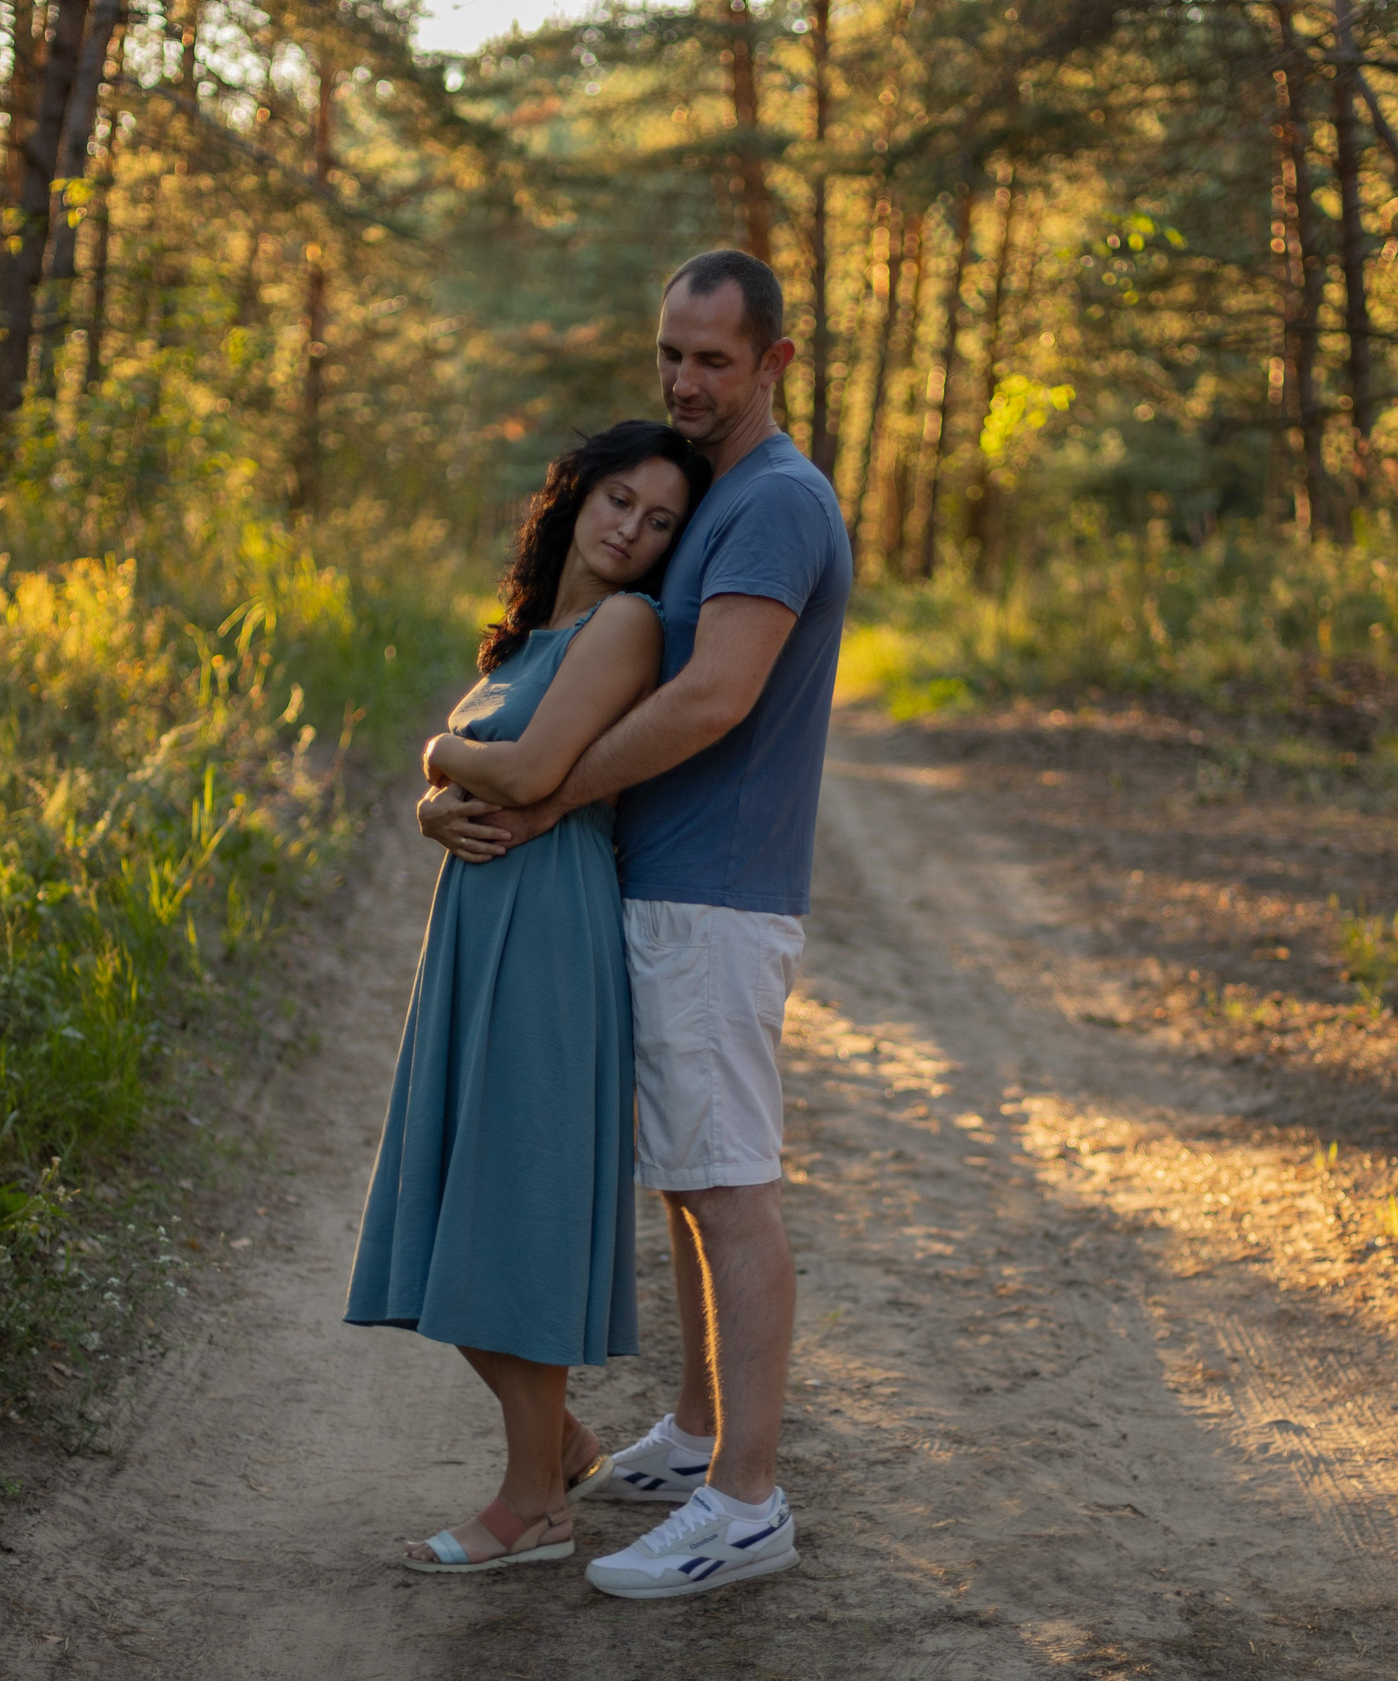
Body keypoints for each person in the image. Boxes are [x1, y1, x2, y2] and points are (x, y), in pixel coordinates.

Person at [419, 249, 853, 1600]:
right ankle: (701, 1430)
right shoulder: (720, 491)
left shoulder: (773, 500)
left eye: (715, 359)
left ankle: (746, 1503)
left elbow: (714, 696)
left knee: (726, 1185)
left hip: (713, 895)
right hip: (666, 886)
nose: (686, 380)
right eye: (672, 352)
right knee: (687, 1175)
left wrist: (547, 796)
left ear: (775, 362)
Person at [345, 420, 712, 1575]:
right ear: (574, 496)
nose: (632, 530)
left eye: (660, 521)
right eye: (618, 499)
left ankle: (534, 1506)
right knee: (452, 1197)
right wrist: (434, 800)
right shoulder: (532, 634)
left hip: (549, 923)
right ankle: (558, 1448)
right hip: (481, 922)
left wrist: (433, 756)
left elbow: (532, 770)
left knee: (513, 1200)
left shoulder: (627, 624)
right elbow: (488, 767)